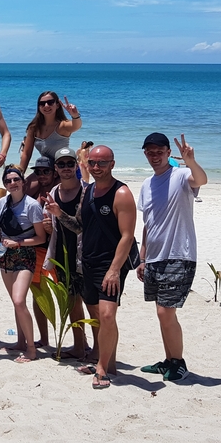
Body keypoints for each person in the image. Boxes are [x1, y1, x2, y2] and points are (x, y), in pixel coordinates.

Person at [136, 133, 208, 382]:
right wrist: (143, 258)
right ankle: (168, 360)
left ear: (168, 152)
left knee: (167, 313)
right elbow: (148, 223)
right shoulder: (146, 184)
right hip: (154, 258)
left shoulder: (180, 176)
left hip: (179, 254)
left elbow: (201, 179)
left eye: (159, 151)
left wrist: (191, 161)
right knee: (161, 313)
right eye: (150, 152)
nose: (154, 156)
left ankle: (179, 363)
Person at [71, 145, 137, 390]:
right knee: (98, 317)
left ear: (112, 164)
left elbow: (127, 236)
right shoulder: (88, 191)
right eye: (92, 163)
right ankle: (107, 362)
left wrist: (114, 270)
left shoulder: (122, 193)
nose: (97, 167)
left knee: (108, 316)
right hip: (89, 262)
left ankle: (102, 368)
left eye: (102, 163)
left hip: (111, 265)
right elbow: (81, 226)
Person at [42, 147, 91, 359]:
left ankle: (97, 349)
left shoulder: (87, 192)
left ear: (76, 166)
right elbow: (52, 228)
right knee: (71, 302)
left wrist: (58, 214)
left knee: (92, 306)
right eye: (61, 164)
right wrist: (47, 225)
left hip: (84, 255)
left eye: (70, 164)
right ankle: (80, 346)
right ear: (56, 168)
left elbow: (80, 227)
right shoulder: (53, 193)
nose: (65, 168)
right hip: (62, 255)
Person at [0, 166, 47, 362]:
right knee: (16, 303)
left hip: (25, 255)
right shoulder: (2, 202)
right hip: (5, 255)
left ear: (23, 182)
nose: (12, 183)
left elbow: (41, 237)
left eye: (16, 179)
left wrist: (19, 242)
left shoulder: (32, 205)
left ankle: (31, 349)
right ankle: (20, 342)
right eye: (8, 181)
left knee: (19, 300)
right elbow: (1, 231)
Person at [25, 156, 56, 346]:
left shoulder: (59, 189)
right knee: (38, 294)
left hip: (57, 249)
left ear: (54, 172)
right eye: (39, 172)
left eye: (46, 171)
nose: (42, 175)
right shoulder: (33, 191)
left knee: (70, 295)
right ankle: (44, 339)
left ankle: (80, 342)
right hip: (38, 248)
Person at [18, 92, 83, 171]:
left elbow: (76, 126)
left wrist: (75, 115)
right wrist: (20, 173)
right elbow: (26, 154)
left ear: (57, 105)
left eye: (50, 102)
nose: (46, 106)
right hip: (46, 170)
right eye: (42, 103)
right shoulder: (34, 128)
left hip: (65, 170)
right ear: (39, 107)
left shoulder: (62, 125)